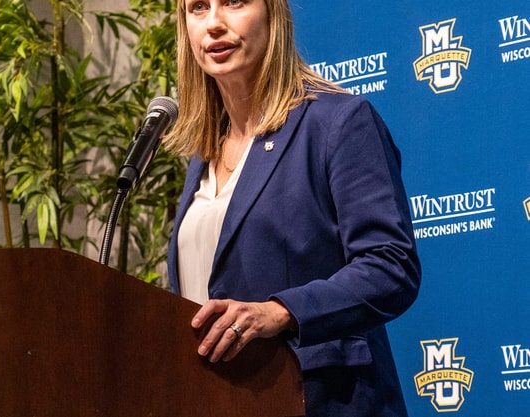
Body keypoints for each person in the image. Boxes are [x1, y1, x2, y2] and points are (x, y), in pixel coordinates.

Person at [162, 0, 422, 415]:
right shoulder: (203, 158)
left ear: (274, 14)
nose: (213, 23)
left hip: (319, 399)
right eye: (197, 8)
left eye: (233, 3)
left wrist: (282, 311)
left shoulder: (338, 123)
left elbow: (391, 265)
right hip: (218, 401)